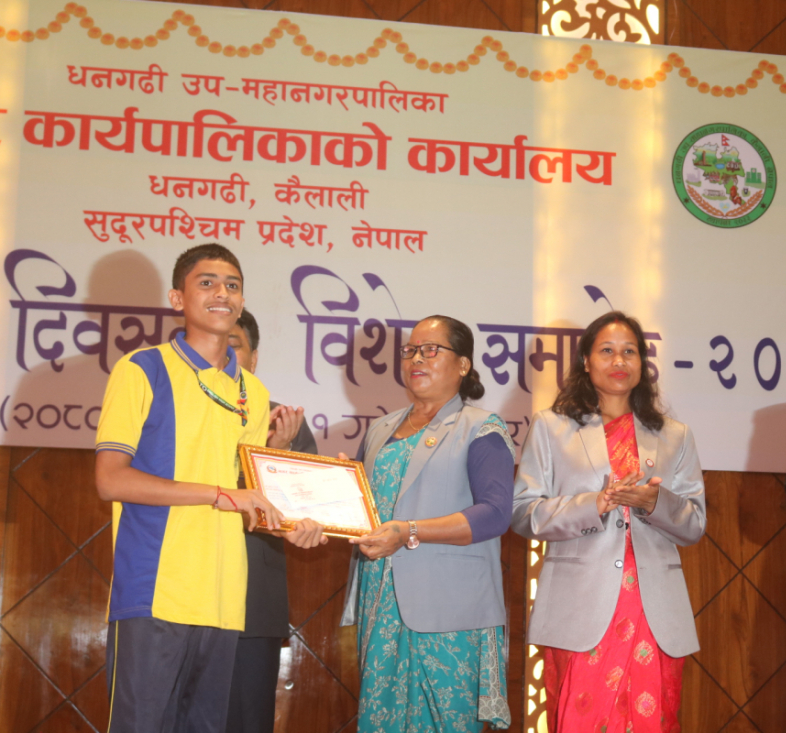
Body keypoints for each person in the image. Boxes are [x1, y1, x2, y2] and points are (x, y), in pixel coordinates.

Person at [94, 244, 324, 733]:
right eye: (207, 283)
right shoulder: (142, 369)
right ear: (178, 298)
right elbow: (110, 479)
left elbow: (253, 499)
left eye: (232, 285)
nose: (222, 293)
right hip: (156, 592)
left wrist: (296, 523)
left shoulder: (253, 393)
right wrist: (221, 495)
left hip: (224, 600)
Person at [513, 311, 707, 733]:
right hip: (581, 609)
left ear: (642, 363)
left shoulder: (675, 435)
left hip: (653, 613)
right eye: (607, 351)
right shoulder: (551, 427)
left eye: (629, 352)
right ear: (586, 361)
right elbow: (524, 512)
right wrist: (594, 504)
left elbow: (694, 524)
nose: (619, 360)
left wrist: (655, 503)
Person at [338, 315, 513, 733]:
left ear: (463, 364)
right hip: (380, 603)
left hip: (449, 609)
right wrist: (339, 492)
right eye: (410, 350)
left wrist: (409, 532)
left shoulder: (480, 428)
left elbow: (495, 513)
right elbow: (364, 514)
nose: (417, 358)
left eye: (431, 350)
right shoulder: (380, 429)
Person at [225, 309, 327, 733]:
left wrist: (277, 453)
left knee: (247, 721)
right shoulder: (176, 413)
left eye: (233, 345)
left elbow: (304, 514)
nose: (221, 352)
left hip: (253, 603)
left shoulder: (284, 423)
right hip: (182, 599)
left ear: (254, 357)